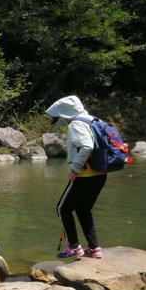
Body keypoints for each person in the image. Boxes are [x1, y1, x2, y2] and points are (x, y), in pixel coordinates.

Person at [46, 95, 107, 259]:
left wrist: (74, 168)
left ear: (65, 113)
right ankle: (94, 249)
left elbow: (87, 146)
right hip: (100, 173)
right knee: (83, 210)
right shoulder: (94, 119)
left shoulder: (76, 124)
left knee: (62, 208)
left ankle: (74, 247)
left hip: (85, 174)